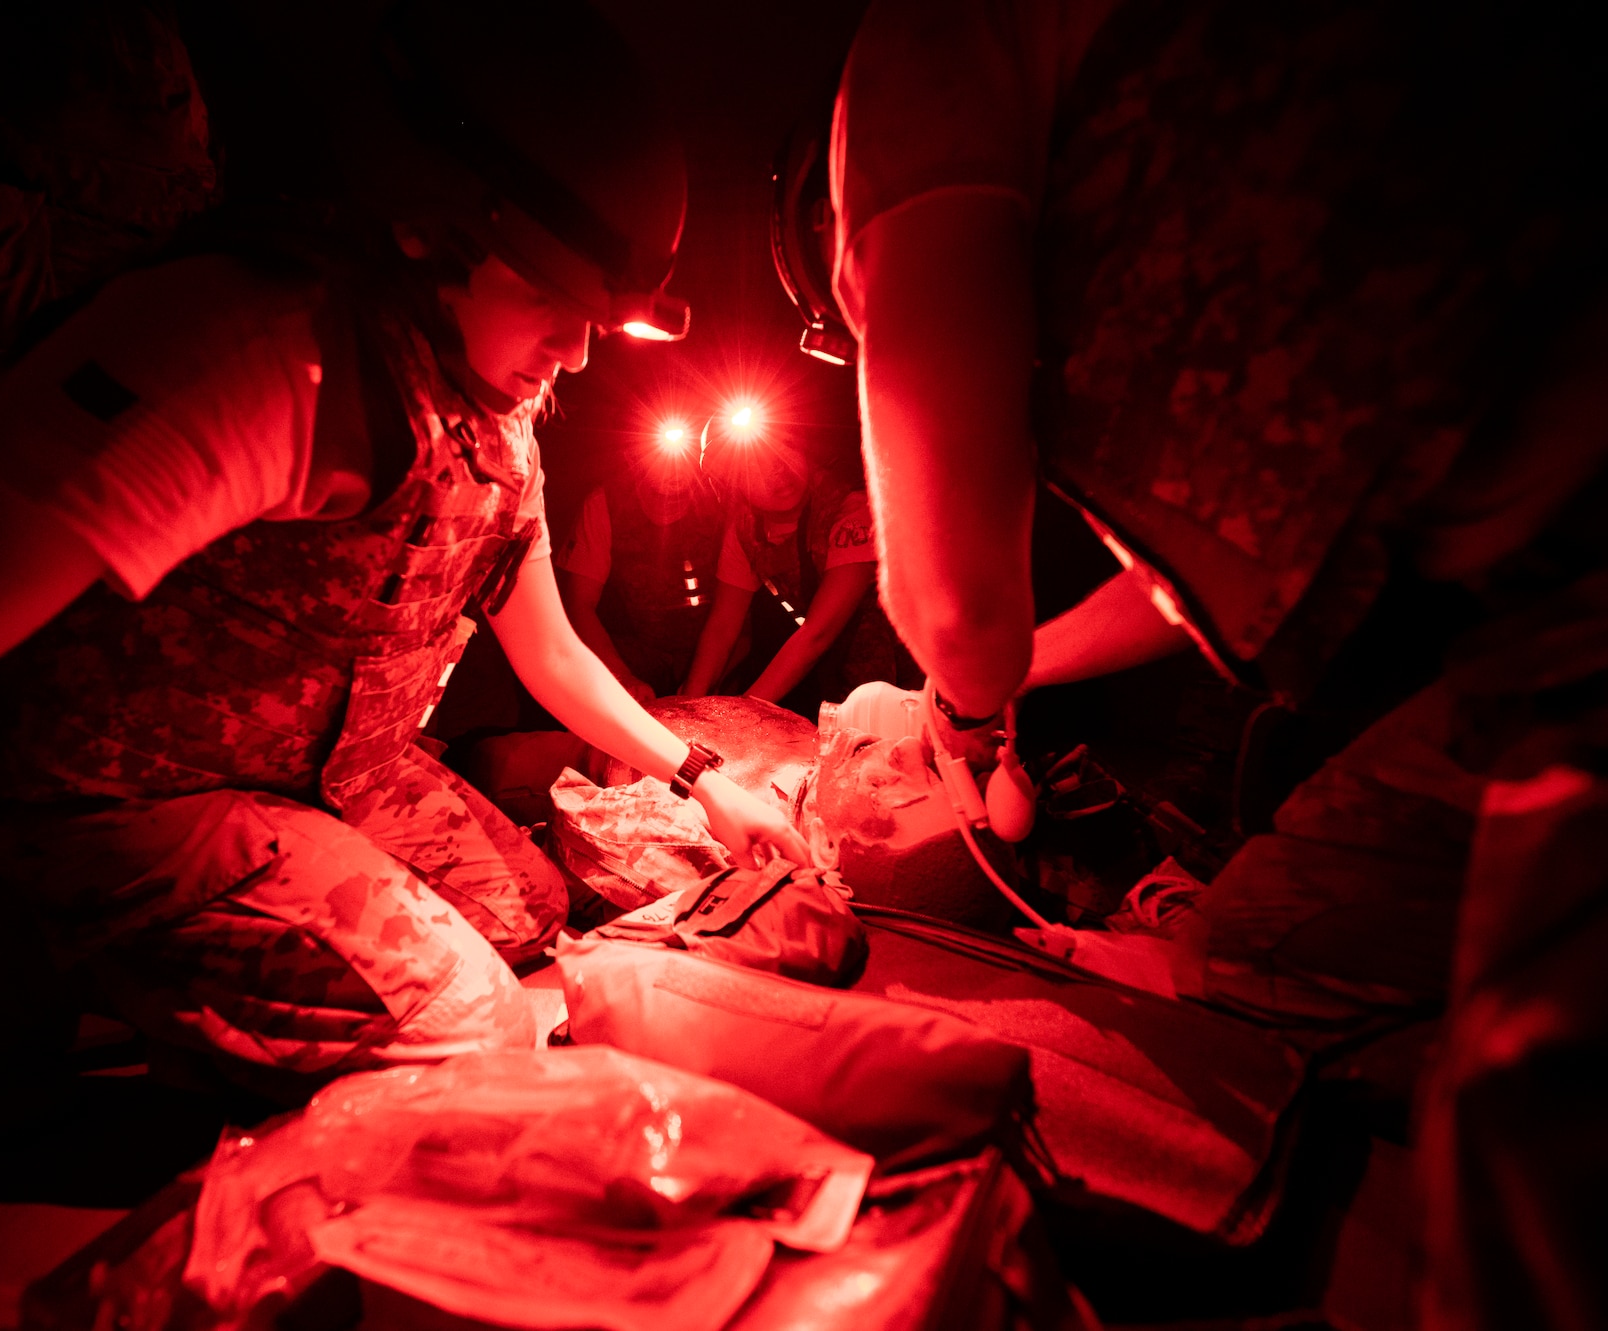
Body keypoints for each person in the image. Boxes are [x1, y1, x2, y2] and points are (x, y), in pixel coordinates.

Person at [0, 5, 809, 1328]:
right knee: (483, 1032)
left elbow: (545, 642)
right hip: (139, 787)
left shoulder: (497, 405)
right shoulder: (260, 348)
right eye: (555, 303)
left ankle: (253, 1076)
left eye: (598, 320)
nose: (578, 351)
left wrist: (700, 770)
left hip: (333, 768)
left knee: (537, 923)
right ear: (426, 230)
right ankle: (214, 1259)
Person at [816, 0, 1608, 1324]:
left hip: (1573, 590)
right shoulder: (1178, 92)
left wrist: (957, 703)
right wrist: (1000, 689)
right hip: (1539, 583)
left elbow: (954, 608)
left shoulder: (924, 54)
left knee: (1527, 1194)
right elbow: (1169, 587)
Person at [680, 424, 910, 708]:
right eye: (753, 464)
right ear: (732, 482)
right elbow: (723, 628)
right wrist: (689, 705)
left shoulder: (850, 508)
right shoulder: (745, 529)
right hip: (829, 672)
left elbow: (818, 632)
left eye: (781, 448)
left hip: (902, 673)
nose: (777, 470)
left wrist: (745, 709)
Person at [554, 437, 722, 702]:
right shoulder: (606, 504)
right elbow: (579, 605)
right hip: (643, 651)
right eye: (662, 453)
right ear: (633, 456)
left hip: (720, 653)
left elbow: (734, 618)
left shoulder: (721, 499)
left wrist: (700, 685)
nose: (675, 467)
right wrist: (624, 679)